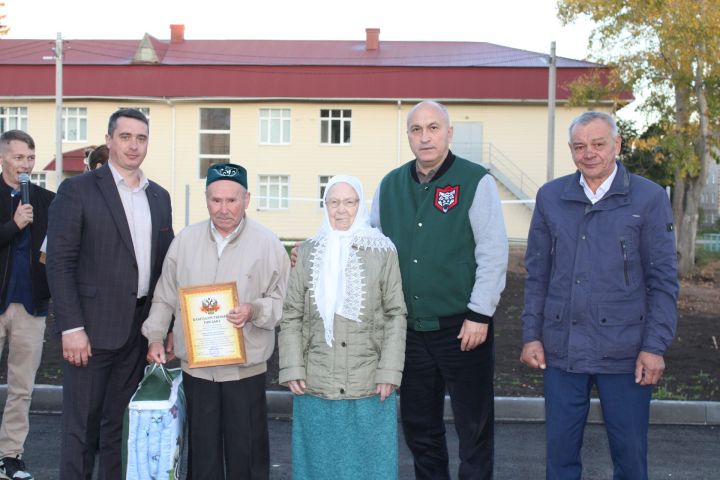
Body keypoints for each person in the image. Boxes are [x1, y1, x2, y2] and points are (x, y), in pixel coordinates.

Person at [520, 111, 678, 480]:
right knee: (559, 458)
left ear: (617, 145)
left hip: (625, 353)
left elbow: (663, 281)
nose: (588, 153)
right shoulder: (551, 197)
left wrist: (655, 346)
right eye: (579, 146)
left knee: (630, 457)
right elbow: (537, 274)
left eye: (597, 144)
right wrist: (532, 335)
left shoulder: (649, 198)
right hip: (562, 351)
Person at [371, 101, 508, 479]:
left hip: (463, 329)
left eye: (433, 128)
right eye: (416, 129)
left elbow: (493, 252)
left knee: (473, 428)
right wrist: (314, 249)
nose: (425, 137)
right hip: (410, 332)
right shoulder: (390, 186)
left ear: (449, 133)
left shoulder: (474, 180)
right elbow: (366, 246)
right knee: (420, 428)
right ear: (409, 137)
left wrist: (480, 313)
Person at [46, 108, 174, 480]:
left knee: (121, 429)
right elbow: (59, 262)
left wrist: (162, 328)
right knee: (81, 430)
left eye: (141, 138)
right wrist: (71, 327)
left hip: (138, 332)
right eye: (125, 137)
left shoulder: (159, 197)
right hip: (89, 332)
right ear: (109, 140)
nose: (134, 146)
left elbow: (166, 267)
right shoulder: (78, 190)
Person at [143, 163, 290, 480]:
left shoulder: (268, 244)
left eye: (232, 200)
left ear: (247, 199)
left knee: (247, 455)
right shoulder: (185, 241)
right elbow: (165, 295)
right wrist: (156, 335)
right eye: (216, 200)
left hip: (245, 369)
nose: (224, 209)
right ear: (206, 199)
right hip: (197, 368)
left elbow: (283, 304)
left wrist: (254, 310)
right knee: (203, 456)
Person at [279, 175, 407, 480]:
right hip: (316, 381)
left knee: (369, 466)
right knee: (319, 465)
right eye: (333, 202)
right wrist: (292, 367)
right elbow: (292, 314)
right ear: (325, 206)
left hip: (370, 384)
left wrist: (390, 372)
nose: (341, 210)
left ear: (360, 206)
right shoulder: (309, 251)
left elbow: (395, 315)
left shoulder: (383, 251)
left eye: (349, 202)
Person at [0, 130, 55, 480]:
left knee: (22, 387)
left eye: (31, 158)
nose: (26, 165)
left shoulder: (46, 200)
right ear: (4, 158)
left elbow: (55, 249)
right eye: (20, 157)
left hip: (31, 307)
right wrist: (13, 225)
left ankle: (10, 457)